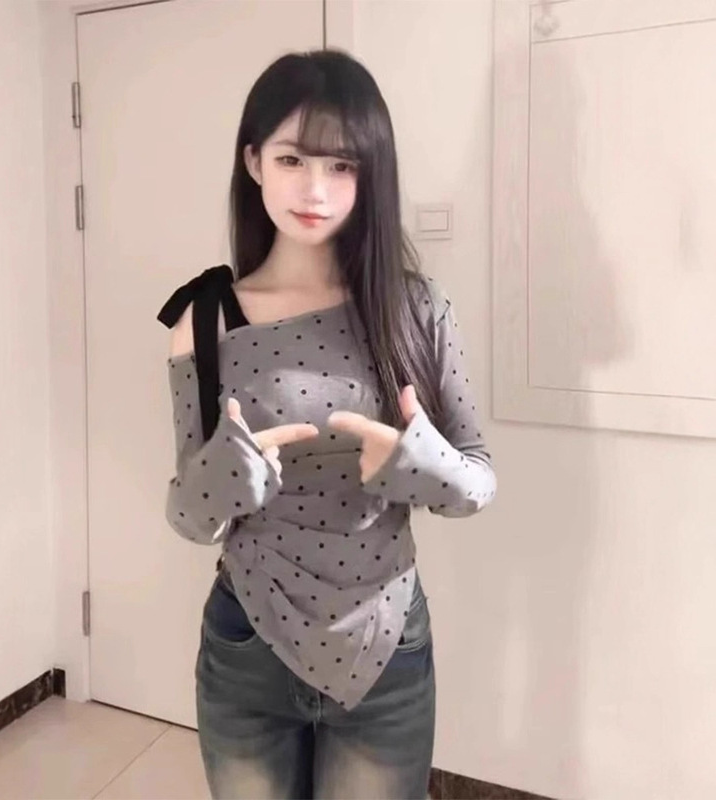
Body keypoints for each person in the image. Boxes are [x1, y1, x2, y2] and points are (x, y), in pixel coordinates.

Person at [158, 48, 497, 800]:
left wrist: (413, 461)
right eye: (292, 159)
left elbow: (476, 483)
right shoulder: (203, 320)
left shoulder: (416, 308)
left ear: (371, 175)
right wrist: (223, 480)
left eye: (342, 166)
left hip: (385, 644)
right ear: (254, 161)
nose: (315, 189)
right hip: (246, 644)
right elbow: (188, 515)